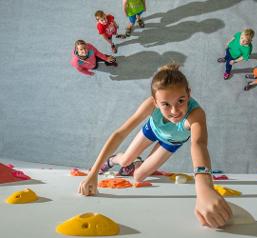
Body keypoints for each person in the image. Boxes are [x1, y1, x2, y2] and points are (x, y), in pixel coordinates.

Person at [78, 63, 232, 228]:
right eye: (166, 104)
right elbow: (120, 133)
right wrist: (93, 173)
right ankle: (116, 159)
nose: (175, 111)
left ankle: (136, 162)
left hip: (170, 143)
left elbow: (198, 144)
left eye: (181, 100)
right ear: (156, 103)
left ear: (189, 94)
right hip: (151, 130)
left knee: (138, 177)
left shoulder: (196, 114)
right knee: (124, 162)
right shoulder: (150, 105)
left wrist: (203, 187)